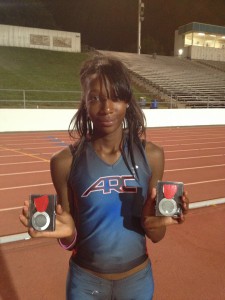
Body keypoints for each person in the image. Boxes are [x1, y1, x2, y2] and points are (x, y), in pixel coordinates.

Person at [20, 55, 189, 300]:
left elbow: (156, 235)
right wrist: (64, 234)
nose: (106, 107)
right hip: (85, 283)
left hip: (137, 282)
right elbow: (70, 238)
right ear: (85, 104)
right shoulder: (64, 162)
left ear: (128, 101)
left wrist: (155, 222)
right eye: (95, 98)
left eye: (115, 97)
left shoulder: (152, 156)